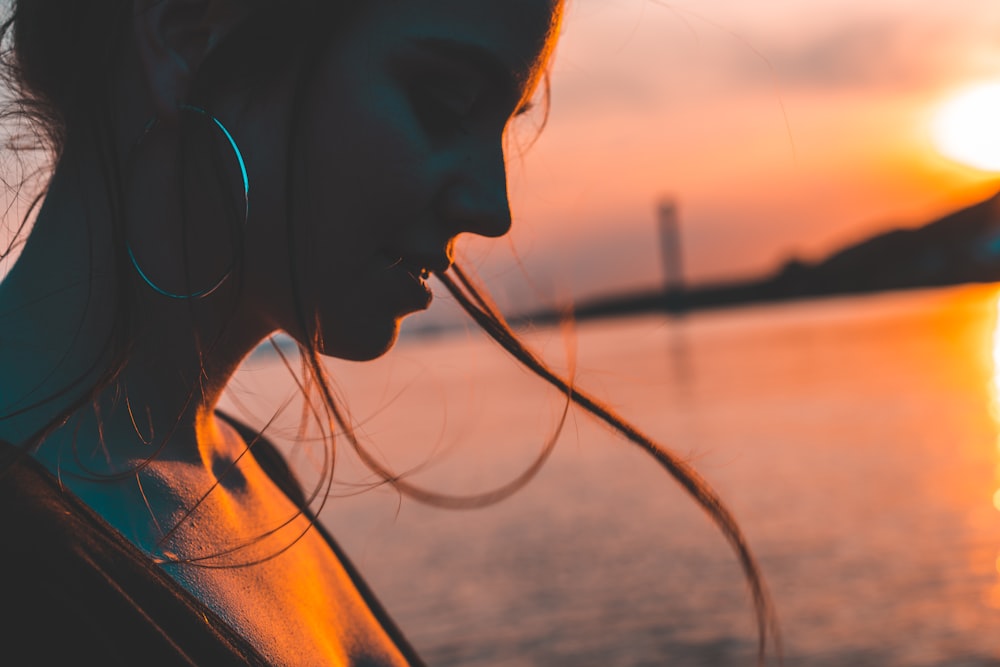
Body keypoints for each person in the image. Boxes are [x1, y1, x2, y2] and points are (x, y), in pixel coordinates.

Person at [0, 0, 778, 665]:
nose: (490, 205)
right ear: (189, 35)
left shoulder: (242, 470)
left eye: (504, 125)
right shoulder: (26, 561)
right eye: (441, 102)